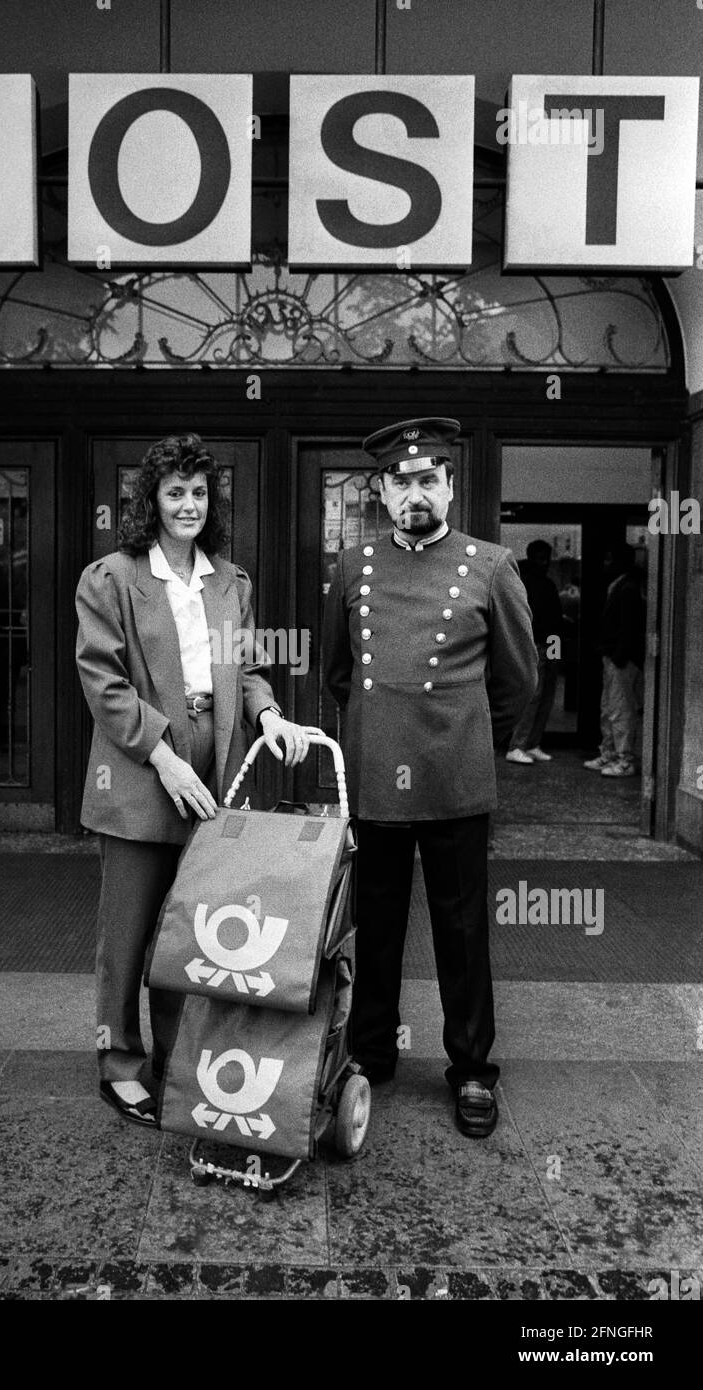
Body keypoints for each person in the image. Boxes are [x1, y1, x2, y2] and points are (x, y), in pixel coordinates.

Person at [76, 433, 309, 1126]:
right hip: (147, 769)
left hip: (217, 767)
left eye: (199, 493)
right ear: (150, 501)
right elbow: (103, 682)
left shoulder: (230, 581)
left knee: (190, 935)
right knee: (128, 935)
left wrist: (270, 717)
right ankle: (118, 1063)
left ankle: (175, 1061)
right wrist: (166, 758)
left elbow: (251, 669)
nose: (188, 505)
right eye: (174, 492)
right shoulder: (111, 577)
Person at [322, 418, 537, 1138]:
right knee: (374, 925)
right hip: (379, 776)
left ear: (449, 486)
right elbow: (338, 675)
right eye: (400, 482)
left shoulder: (491, 565)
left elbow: (518, 681)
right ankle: (372, 1052)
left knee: (462, 929)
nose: (414, 493)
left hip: (454, 781)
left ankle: (472, 1069)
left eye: (427, 480)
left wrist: (473, 741)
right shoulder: (353, 568)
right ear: (381, 492)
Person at [583, 541, 646, 778]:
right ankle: (610, 752)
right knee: (609, 708)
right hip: (614, 655)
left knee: (620, 709)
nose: (606, 563)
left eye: (610, 559)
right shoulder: (621, 585)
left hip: (620, 658)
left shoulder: (627, 588)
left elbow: (629, 627)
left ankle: (624, 759)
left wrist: (619, 655)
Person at [506, 539, 564, 764]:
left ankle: (531, 743)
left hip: (547, 643)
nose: (545, 563)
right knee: (535, 696)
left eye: (546, 558)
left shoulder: (540, 583)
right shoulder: (525, 583)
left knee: (546, 694)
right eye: (541, 558)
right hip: (539, 644)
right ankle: (518, 744)